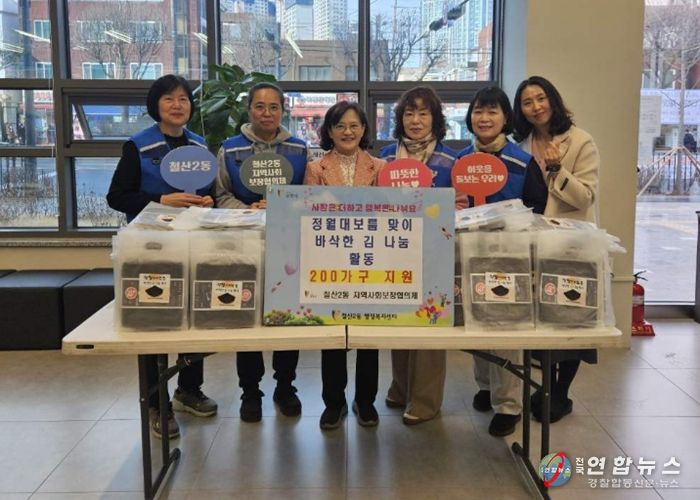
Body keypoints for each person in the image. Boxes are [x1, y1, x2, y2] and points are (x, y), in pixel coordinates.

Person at [106, 74, 218, 439]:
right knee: (155, 324)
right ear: (156, 104)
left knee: (196, 319)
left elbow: (210, 193)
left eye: (183, 99)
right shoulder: (138, 146)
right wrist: (160, 201)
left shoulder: (199, 145)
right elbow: (117, 197)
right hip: (151, 249)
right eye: (169, 98)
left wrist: (209, 200)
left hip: (194, 244)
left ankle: (189, 390)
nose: (177, 105)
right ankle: (158, 404)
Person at [215, 82, 308, 422]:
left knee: (287, 316)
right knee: (247, 315)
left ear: (283, 110)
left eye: (273, 107)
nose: (266, 113)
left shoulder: (300, 150)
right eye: (259, 106)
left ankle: (285, 387)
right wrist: (247, 210)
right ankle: (250, 391)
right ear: (249, 109)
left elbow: (308, 195)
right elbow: (219, 195)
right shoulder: (230, 149)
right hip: (244, 243)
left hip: (287, 244)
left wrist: (283, 205)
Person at [457, 85, 547, 437]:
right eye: (478, 111)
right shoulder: (459, 161)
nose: (484, 118)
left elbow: (538, 208)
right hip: (467, 253)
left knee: (506, 329)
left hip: (509, 258)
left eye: (492, 111)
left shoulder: (521, 162)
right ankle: (485, 386)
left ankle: (509, 405)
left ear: (505, 118)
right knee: (475, 323)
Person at [513, 75, 601, 423]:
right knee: (542, 318)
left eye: (540, 98)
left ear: (553, 99)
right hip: (532, 243)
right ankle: (546, 387)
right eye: (527, 102)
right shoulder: (520, 145)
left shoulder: (580, 141)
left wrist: (556, 168)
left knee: (570, 319)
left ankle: (560, 393)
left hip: (570, 245)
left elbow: (586, 197)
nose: (535, 107)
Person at [379, 85, 460, 426]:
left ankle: (426, 400)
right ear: (400, 119)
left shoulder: (451, 160)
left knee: (430, 321)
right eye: (409, 113)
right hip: (393, 249)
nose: (415, 120)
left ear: (435, 119)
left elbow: (461, 204)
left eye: (423, 113)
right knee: (399, 317)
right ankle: (401, 386)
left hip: (434, 251)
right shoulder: (385, 157)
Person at [304, 101, 386, 430]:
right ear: (329, 131)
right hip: (329, 262)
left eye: (354, 125)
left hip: (371, 261)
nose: (347, 132)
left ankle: (366, 402)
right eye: (340, 126)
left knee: (368, 335)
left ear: (364, 129)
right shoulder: (316, 168)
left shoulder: (381, 167)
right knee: (333, 335)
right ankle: (333, 403)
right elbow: (309, 213)